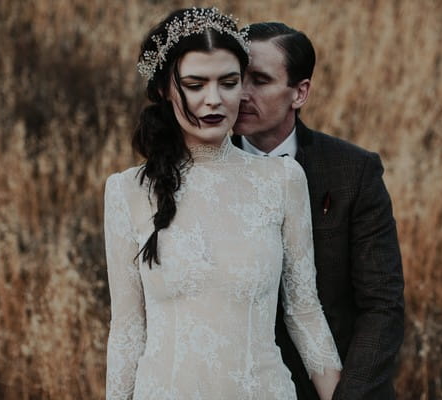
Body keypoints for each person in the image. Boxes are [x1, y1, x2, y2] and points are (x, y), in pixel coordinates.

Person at [104, 8, 342, 400]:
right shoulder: (126, 191)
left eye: (228, 83)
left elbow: (304, 312)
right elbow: (128, 330)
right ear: (166, 88)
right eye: (195, 85)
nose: (213, 100)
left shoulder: (281, 180)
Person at [232, 22, 405, 400]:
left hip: (328, 386)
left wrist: (348, 396)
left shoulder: (352, 171)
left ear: (300, 93)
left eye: (259, 80)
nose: (242, 93)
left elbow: (382, 304)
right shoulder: (200, 170)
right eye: (236, 78)